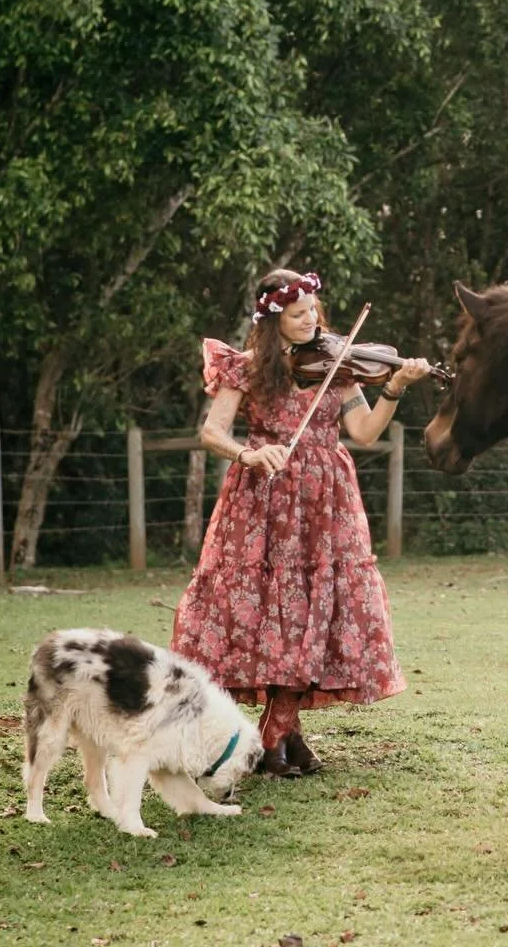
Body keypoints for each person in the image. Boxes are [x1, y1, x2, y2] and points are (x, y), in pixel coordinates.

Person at [172, 269, 435, 777]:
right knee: (273, 609)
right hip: (263, 501)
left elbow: (362, 431)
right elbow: (212, 433)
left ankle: (280, 734)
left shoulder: (339, 367)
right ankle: (279, 737)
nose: (311, 320)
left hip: (325, 500)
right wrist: (249, 455)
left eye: (314, 310)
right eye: (298, 314)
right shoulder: (245, 369)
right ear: (273, 320)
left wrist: (396, 388)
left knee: (316, 607)